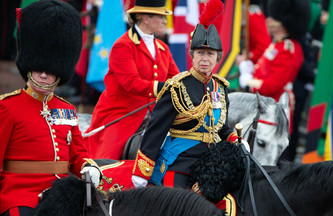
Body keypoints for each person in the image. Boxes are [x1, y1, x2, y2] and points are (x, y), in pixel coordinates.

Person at [0, 1, 102, 216]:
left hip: (60, 199)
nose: (44, 75)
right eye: (39, 69)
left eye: (50, 70)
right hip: (20, 198)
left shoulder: (67, 110)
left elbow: (77, 156)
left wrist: (88, 166)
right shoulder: (8, 107)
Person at [131, 19, 242, 188]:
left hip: (211, 165)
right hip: (180, 161)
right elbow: (156, 130)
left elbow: (220, 126)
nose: (204, 59)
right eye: (200, 53)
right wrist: (142, 172)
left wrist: (234, 138)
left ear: (218, 58)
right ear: (192, 55)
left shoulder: (220, 87)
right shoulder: (177, 86)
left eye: (210, 54)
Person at [85, 0, 180, 160]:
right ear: (146, 18)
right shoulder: (122, 46)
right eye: (161, 16)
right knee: (107, 160)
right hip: (122, 115)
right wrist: (162, 87)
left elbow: (176, 79)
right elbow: (130, 82)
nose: (165, 21)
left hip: (155, 116)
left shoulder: (163, 48)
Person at [238, 0, 310, 102]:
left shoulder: (288, 49)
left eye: (274, 17)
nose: (269, 19)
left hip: (274, 106)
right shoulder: (278, 45)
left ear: (283, 22)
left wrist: (249, 83)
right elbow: (266, 71)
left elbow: (272, 85)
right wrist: (252, 70)